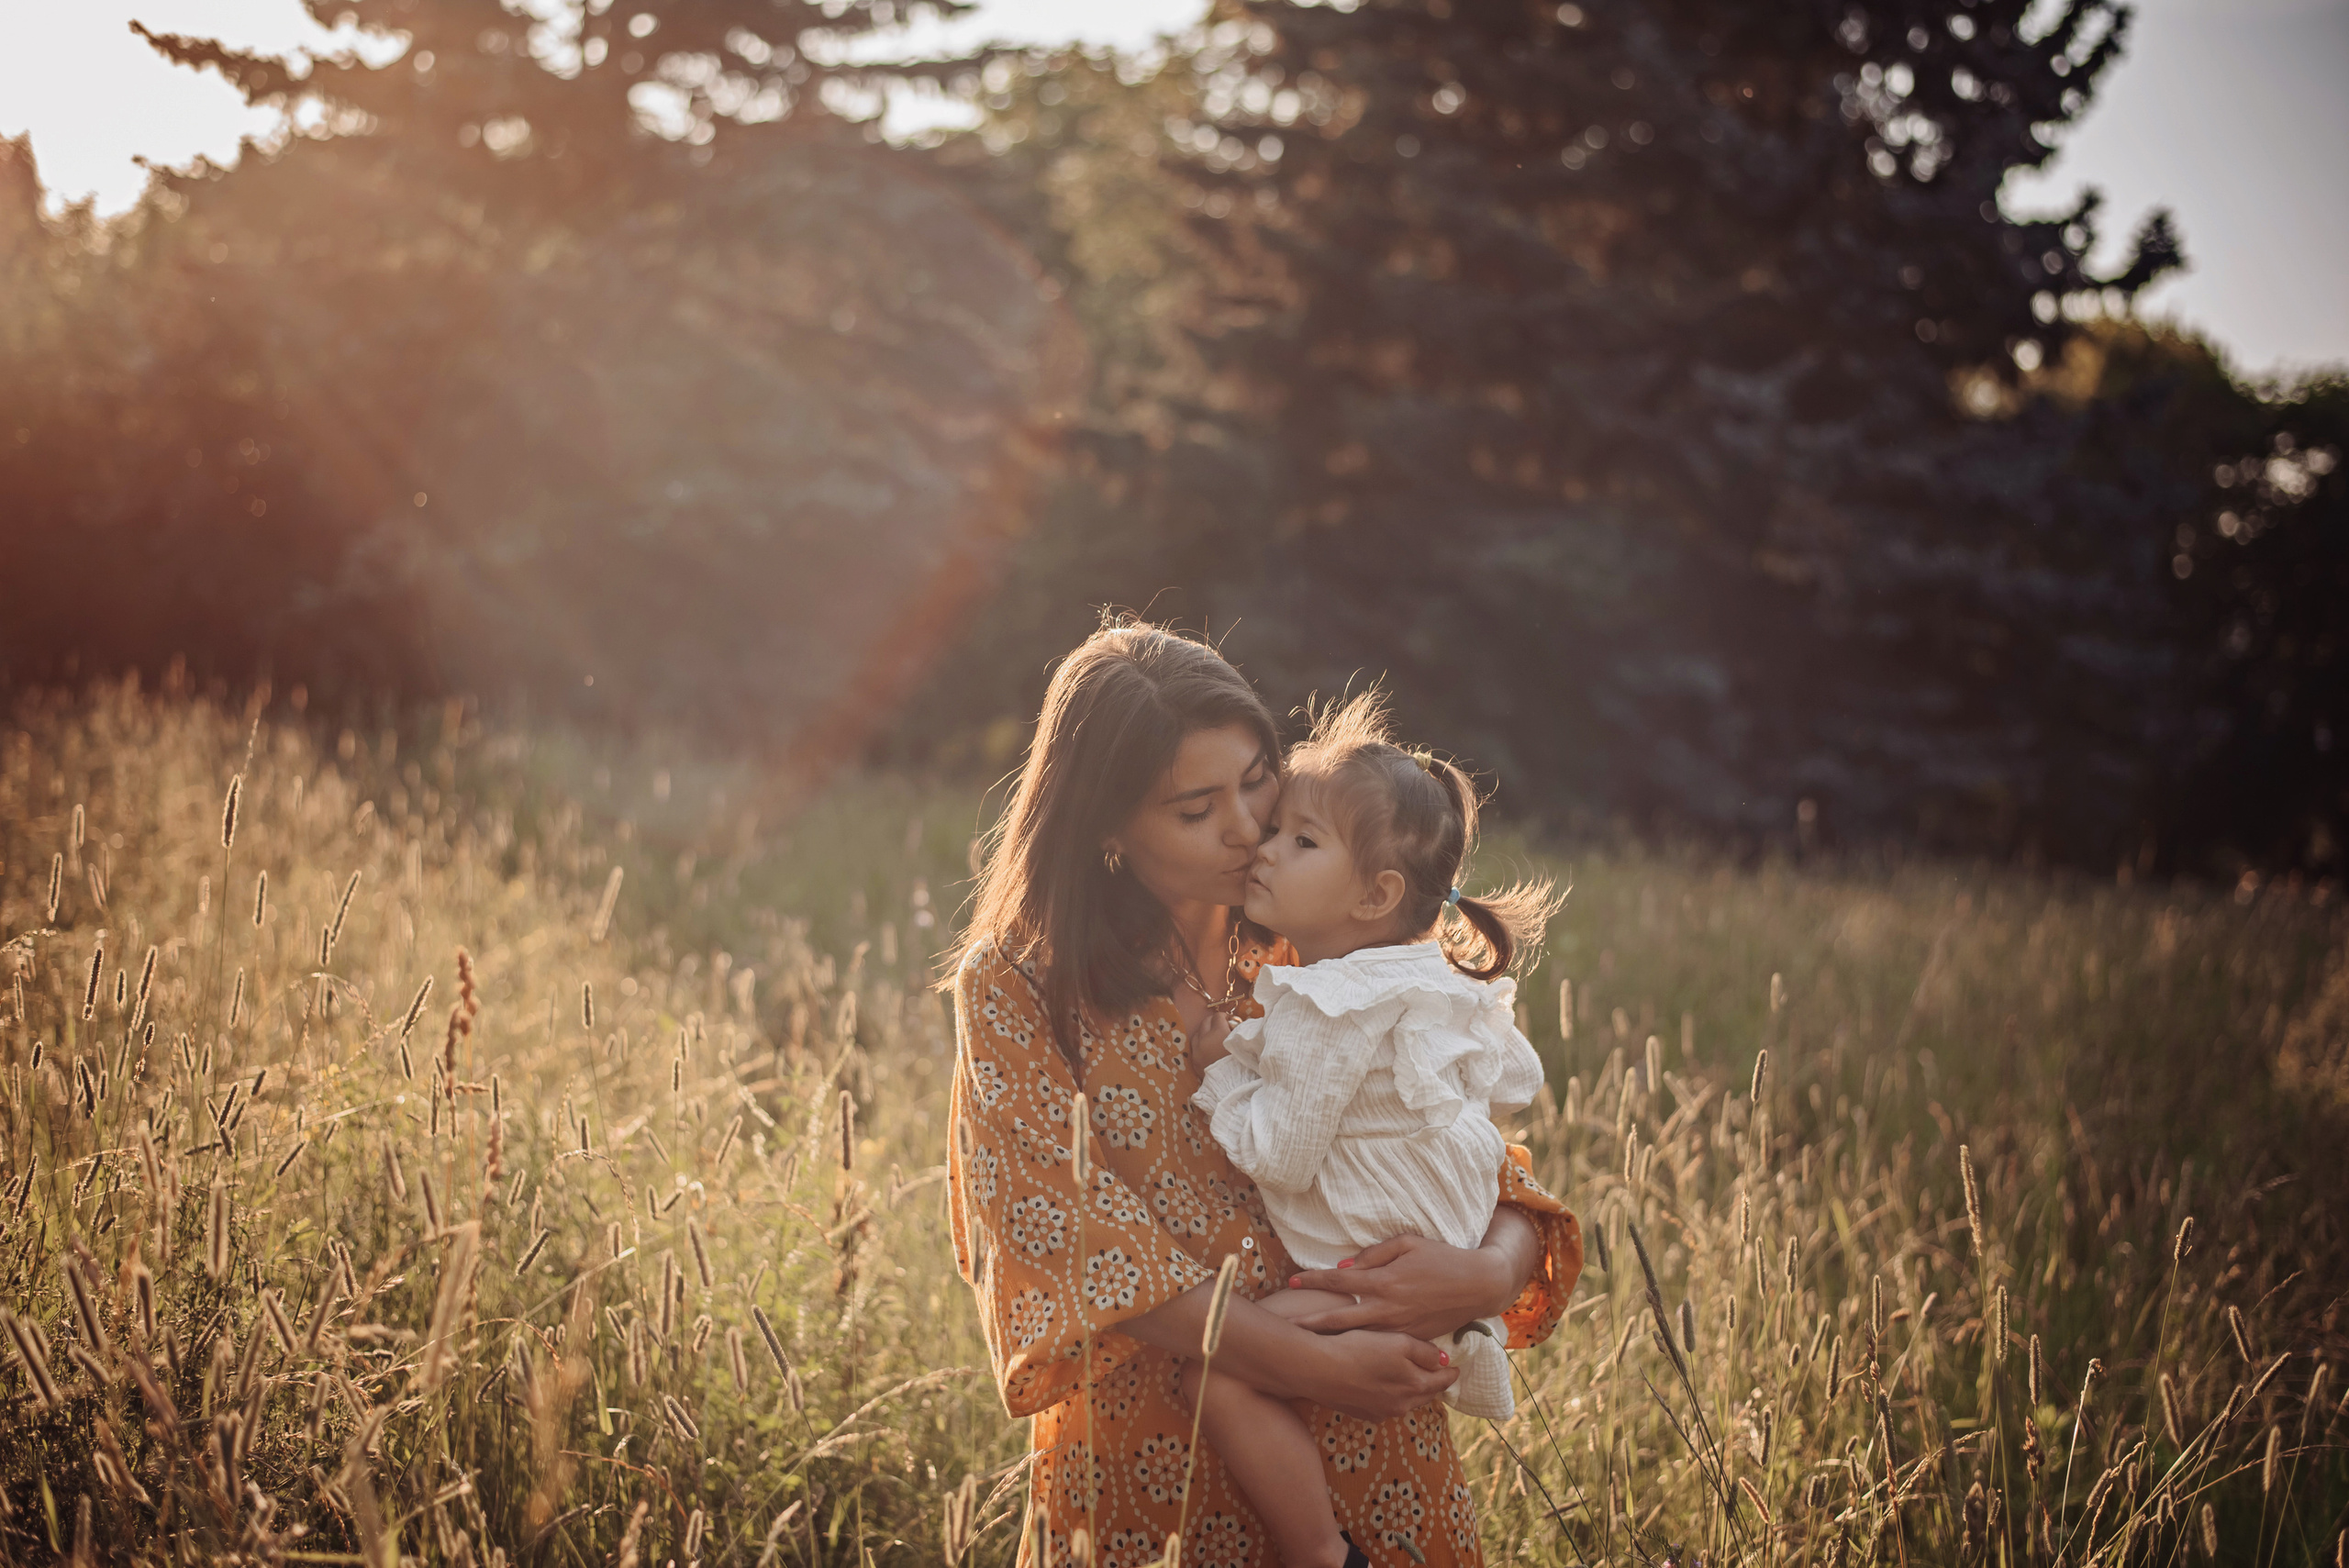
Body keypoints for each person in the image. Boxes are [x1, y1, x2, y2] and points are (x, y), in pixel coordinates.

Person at [941, 618, 1584, 1568]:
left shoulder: (1326, 936)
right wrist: (1312, 1361)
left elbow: (1468, 1154)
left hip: (1375, 1436)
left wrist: (1490, 1270)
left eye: (1256, 781)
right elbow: (1063, 1231)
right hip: (1154, 1458)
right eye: (1196, 809)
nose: (1247, 828)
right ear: (1105, 823)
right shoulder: (1021, 983)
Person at [1182, 688, 1563, 1568]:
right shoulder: (1428, 979)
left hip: (1375, 1270)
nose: (1263, 847)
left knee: (1220, 1376)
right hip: (1430, 1257)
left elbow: (1283, 1152)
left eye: (1300, 841)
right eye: (1280, 829)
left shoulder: (1329, 1003)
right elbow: (1516, 1080)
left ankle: (1323, 1553)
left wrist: (1219, 1073)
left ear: (1376, 894)